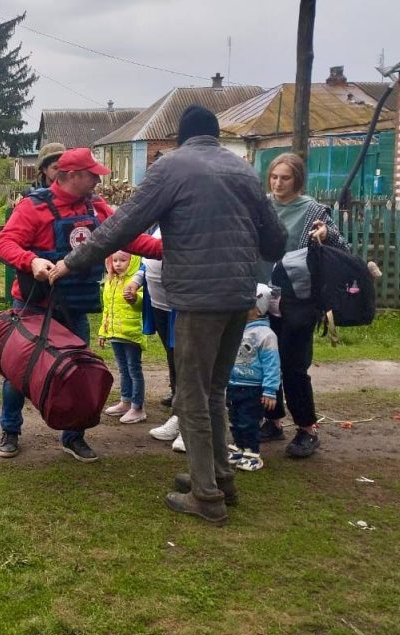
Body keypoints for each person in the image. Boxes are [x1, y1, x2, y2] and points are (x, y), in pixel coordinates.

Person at [49, 106, 285, 524]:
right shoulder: (244, 170)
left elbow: (121, 225)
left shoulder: (171, 167)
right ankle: (218, 478)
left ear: (180, 137)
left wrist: (70, 262)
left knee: (192, 396)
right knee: (213, 392)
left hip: (198, 299)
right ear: (216, 136)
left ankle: (206, 497)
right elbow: (275, 242)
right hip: (238, 298)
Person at [0, 147, 162, 462]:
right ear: (71, 175)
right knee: (19, 372)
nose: (98, 180)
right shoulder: (33, 207)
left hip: (74, 306)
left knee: (76, 374)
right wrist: (31, 261)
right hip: (34, 306)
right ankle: (10, 431)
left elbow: (126, 238)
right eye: (92, 175)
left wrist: (166, 249)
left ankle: (73, 438)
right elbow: (4, 243)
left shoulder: (97, 208)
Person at [259, 152, 349, 459]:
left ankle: (307, 429)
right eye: (274, 177)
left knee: (293, 366)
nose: (278, 183)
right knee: (264, 361)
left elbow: (342, 247)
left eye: (285, 178)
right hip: (263, 295)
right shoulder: (262, 206)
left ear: (297, 180)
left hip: (299, 298)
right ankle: (272, 420)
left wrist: (326, 234)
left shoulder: (313, 210)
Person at [125, 226, 183, 450]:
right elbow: (146, 260)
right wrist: (137, 280)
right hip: (160, 306)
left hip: (185, 305)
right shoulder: (158, 223)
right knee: (173, 358)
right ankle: (179, 415)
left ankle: (190, 425)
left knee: (188, 363)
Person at [227, 284, 280, 472]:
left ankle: (252, 452)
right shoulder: (236, 330)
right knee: (234, 418)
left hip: (253, 387)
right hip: (234, 384)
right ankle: (239, 446)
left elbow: (272, 364)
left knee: (249, 421)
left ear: (258, 310)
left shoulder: (266, 335)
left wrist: (270, 390)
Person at [99, 251, 148, 424]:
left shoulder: (136, 282)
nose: (118, 264)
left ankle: (138, 407)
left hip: (131, 334)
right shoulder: (110, 282)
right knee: (122, 369)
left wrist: (134, 298)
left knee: (134, 370)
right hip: (114, 334)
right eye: (115, 261)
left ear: (133, 261)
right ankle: (125, 401)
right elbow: (107, 309)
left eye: (123, 260)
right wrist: (103, 332)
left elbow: (142, 305)